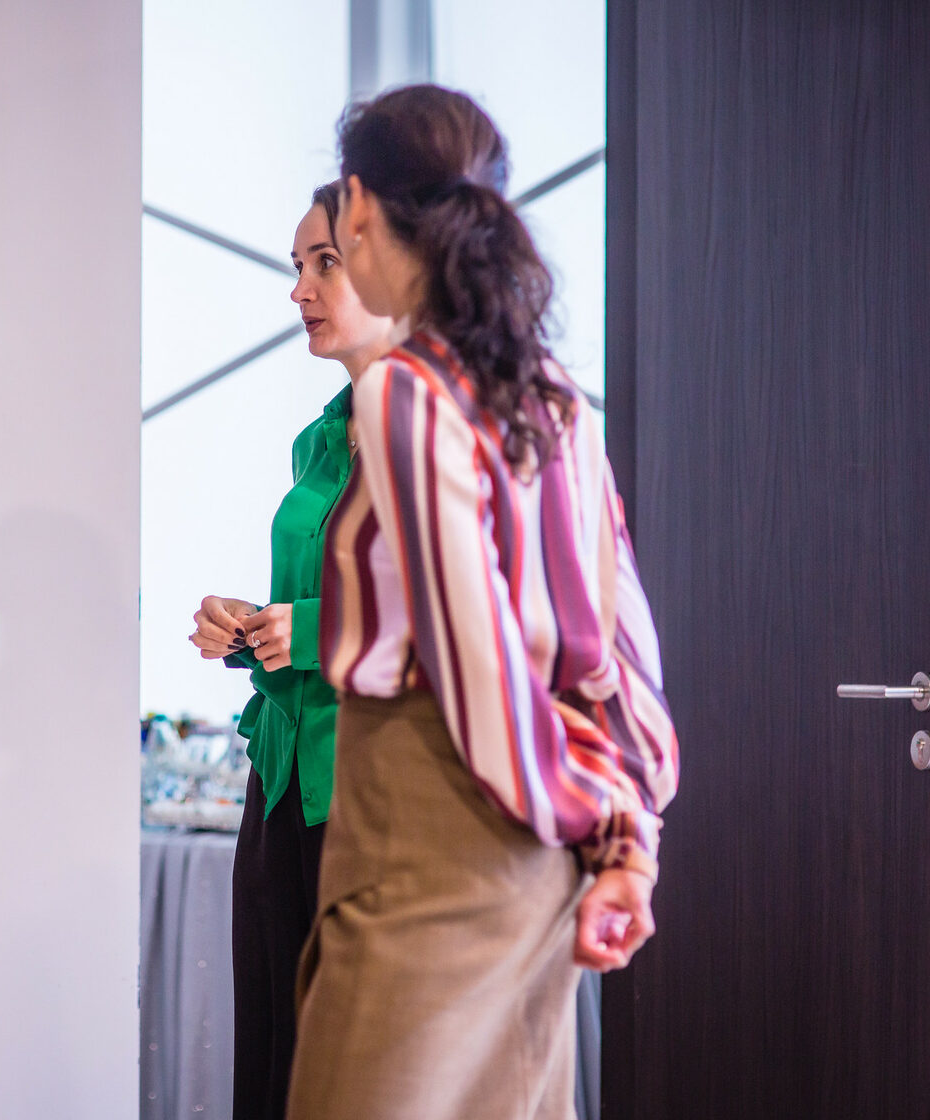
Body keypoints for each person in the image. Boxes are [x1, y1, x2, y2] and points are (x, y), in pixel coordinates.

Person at [286, 86, 680, 1120]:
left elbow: (479, 664)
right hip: (548, 848)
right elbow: (620, 648)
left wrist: (585, 814)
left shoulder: (405, 389)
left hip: (440, 830)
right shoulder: (552, 394)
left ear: (357, 207)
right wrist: (625, 836)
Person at [189, 183, 394, 1120]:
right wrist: (248, 629)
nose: (300, 289)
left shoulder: (437, 435)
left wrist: (305, 630)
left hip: (367, 792)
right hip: (278, 780)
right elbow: (325, 604)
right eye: (297, 267)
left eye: (325, 263)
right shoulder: (320, 438)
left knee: (347, 1072)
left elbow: (462, 622)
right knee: (272, 1061)